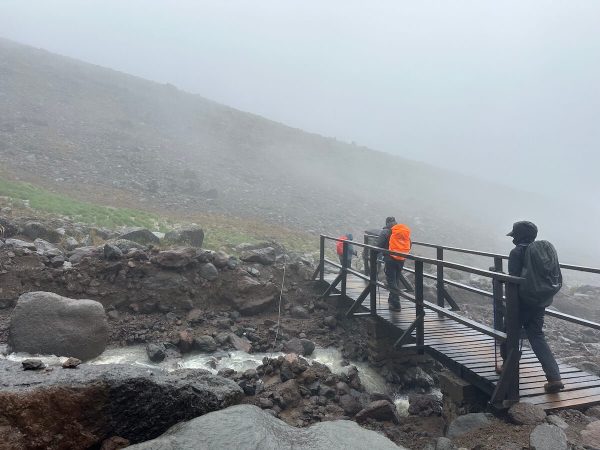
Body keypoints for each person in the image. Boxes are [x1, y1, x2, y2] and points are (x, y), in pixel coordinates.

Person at [505, 220, 564, 393]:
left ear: (519, 236)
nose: (512, 239)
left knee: (508, 330)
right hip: (540, 300)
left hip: (521, 302)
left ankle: (507, 367)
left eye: (514, 235)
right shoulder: (543, 253)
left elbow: (513, 278)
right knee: (537, 336)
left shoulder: (516, 252)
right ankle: (554, 378)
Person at [377, 217, 411, 311]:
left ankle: (396, 305)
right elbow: (409, 244)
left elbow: (378, 245)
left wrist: (376, 254)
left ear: (387, 222)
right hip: (401, 259)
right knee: (396, 279)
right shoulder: (401, 231)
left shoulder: (386, 231)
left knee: (391, 281)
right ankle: (391, 300)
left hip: (390, 259)